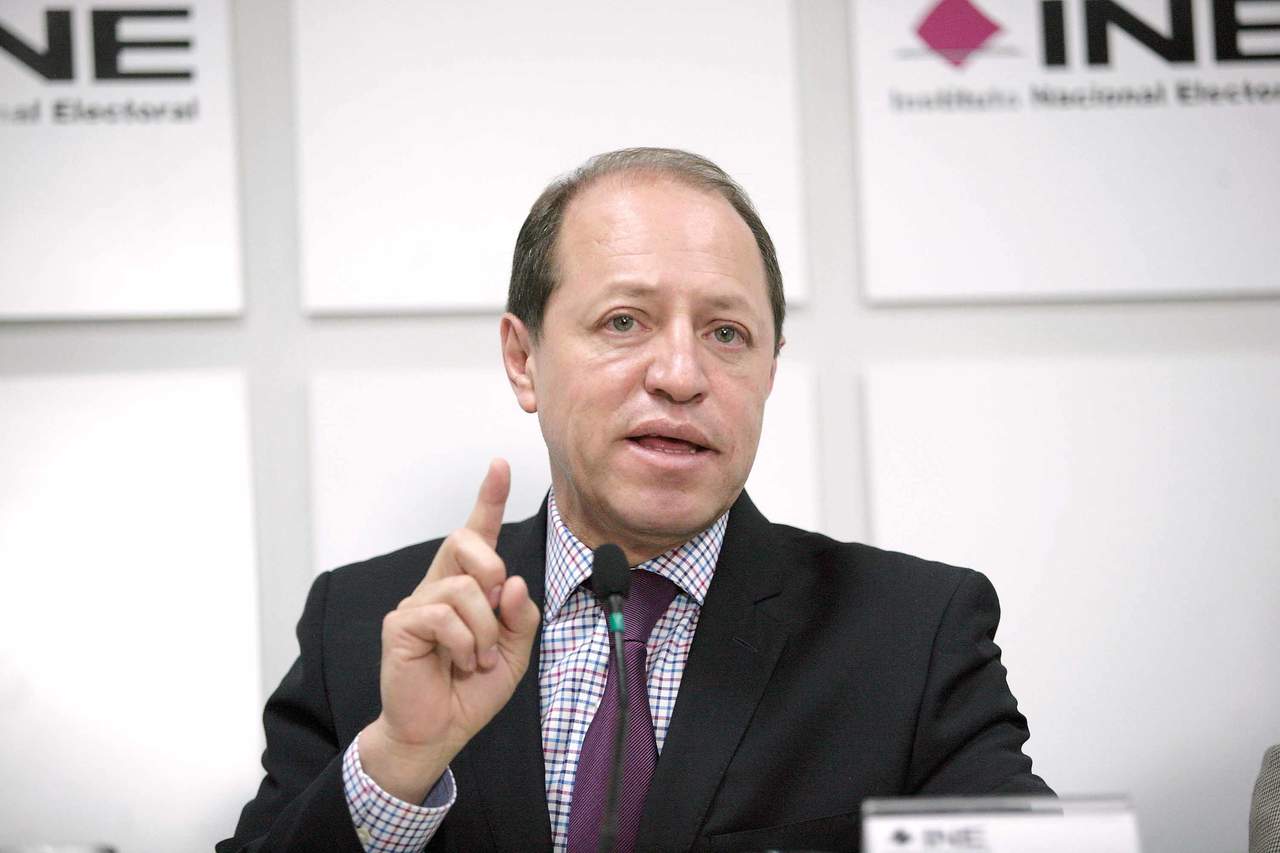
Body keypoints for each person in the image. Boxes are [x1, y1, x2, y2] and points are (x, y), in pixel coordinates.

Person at [219, 148, 1050, 853]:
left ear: (769, 368)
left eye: (726, 333)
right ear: (523, 359)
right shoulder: (365, 627)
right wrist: (399, 761)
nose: (682, 375)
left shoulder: (911, 634)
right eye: (624, 322)